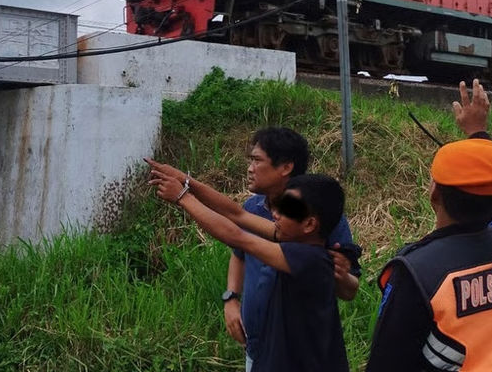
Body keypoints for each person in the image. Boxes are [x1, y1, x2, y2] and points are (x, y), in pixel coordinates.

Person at [147, 127, 361, 371]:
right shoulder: (288, 234)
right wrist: (187, 182)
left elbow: (237, 236)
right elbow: (235, 213)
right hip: (268, 353)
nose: (275, 214)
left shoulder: (308, 257)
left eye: (286, 209)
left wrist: (183, 198)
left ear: (310, 224)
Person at [366, 80, 492, 371]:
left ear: (434, 195)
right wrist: (478, 133)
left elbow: (386, 362)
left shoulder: (418, 271)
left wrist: (476, 133)